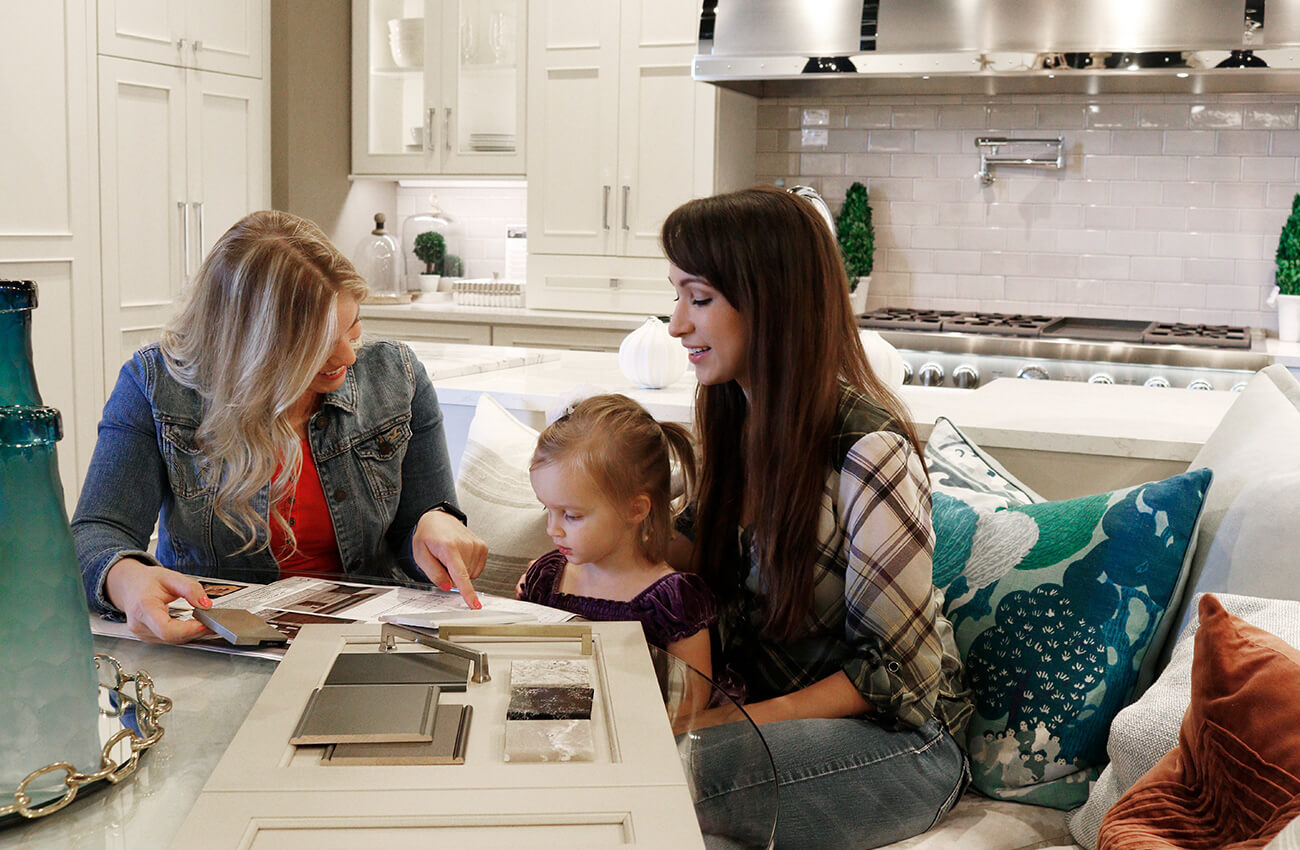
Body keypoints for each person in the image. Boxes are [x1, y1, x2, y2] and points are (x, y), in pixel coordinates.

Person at [661, 186, 973, 850]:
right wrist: (590, 510)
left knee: (659, 772)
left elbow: (897, 675)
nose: (676, 324)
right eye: (677, 296)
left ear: (771, 303)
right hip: (772, 720)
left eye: (699, 299)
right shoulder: (733, 412)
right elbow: (681, 551)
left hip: (903, 745)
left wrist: (728, 722)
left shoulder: (869, 448)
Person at [73, 210, 487, 643]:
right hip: (214, 645)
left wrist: (434, 527)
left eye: (353, 328)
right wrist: (124, 578)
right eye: (319, 345)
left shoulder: (396, 376)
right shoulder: (157, 385)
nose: (348, 356)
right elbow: (96, 534)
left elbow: (413, 536)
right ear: (248, 346)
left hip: (365, 645)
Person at [516, 394, 716, 680]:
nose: (552, 529)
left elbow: (689, 705)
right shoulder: (545, 579)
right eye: (547, 508)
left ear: (635, 509)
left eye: (571, 515)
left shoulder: (672, 602)